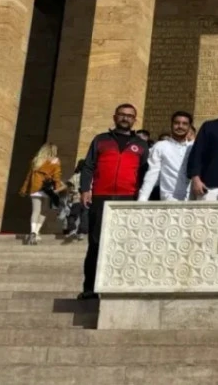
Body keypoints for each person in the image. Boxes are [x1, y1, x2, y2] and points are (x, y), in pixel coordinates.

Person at [78, 103, 149, 301]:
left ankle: (119, 286)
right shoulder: (101, 140)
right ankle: (90, 288)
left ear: (135, 120)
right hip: (101, 197)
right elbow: (88, 166)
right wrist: (85, 189)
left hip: (128, 198)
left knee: (125, 244)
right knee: (96, 243)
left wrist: (141, 198)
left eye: (130, 116)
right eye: (122, 115)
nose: (126, 118)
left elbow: (145, 173)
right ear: (115, 117)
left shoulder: (141, 145)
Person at [138, 111, 194, 202]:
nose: (180, 126)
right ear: (171, 125)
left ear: (189, 127)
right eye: (177, 123)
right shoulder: (161, 146)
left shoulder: (193, 147)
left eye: (184, 124)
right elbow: (152, 174)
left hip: (191, 199)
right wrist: (142, 198)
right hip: (169, 199)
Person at [17, 143, 63, 245]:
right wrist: (58, 188)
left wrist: (24, 188)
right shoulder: (55, 161)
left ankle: (32, 231)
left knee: (35, 210)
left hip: (35, 188)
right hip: (47, 188)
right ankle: (37, 232)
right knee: (44, 211)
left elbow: (29, 176)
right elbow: (56, 176)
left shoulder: (37, 160)